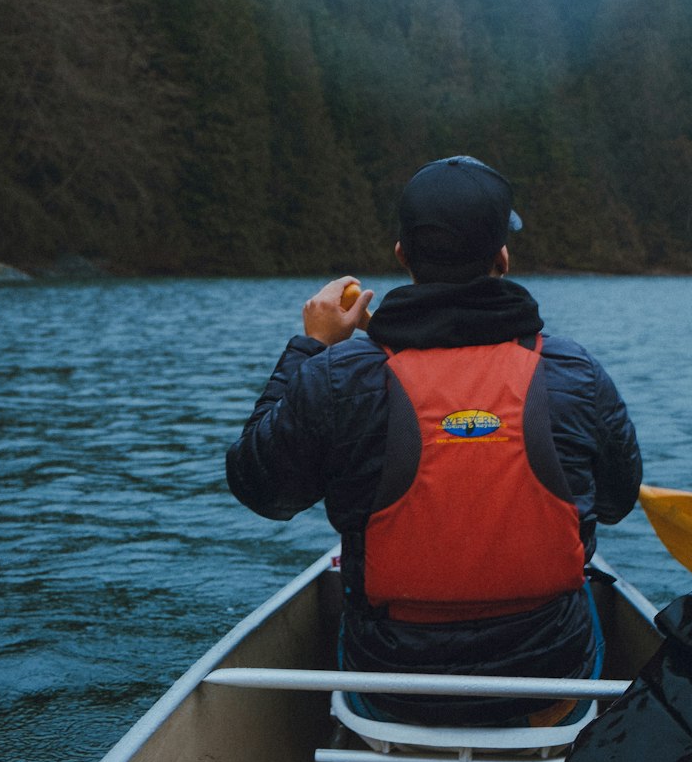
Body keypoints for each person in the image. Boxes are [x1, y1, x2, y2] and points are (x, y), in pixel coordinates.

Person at [226, 156, 642, 726]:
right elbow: (616, 504)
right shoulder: (575, 372)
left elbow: (261, 491)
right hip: (552, 681)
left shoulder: (338, 375)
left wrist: (312, 349)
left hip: (392, 685)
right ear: (502, 256)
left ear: (402, 255)